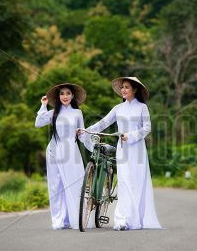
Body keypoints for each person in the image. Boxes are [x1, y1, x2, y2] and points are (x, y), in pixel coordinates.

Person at [83, 77, 162, 230]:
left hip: (137, 150)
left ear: (135, 90)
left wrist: (130, 136)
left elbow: (147, 128)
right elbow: (104, 122)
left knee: (136, 183)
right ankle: (122, 220)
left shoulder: (142, 108)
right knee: (124, 182)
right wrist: (86, 130)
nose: (123, 90)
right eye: (122, 87)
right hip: (123, 149)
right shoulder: (118, 108)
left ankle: (134, 219)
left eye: (127, 87)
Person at [35, 83, 91, 230]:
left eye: (68, 93)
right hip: (54, 151)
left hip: (71, 152)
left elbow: (82, 135)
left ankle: (75, 219)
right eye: (62, 94)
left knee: (74, 184)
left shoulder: (77, 113)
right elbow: (38, 123)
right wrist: (43, 105)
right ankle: (59, 220)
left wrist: (93, 146)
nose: (65, 96)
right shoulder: (54, 112)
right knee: (56, 186)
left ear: (73, 96)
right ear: (58, 97)